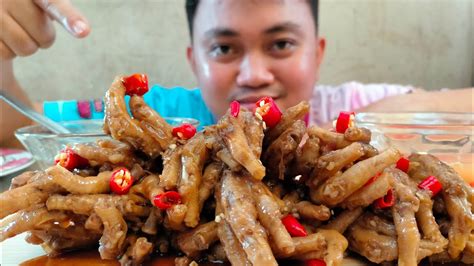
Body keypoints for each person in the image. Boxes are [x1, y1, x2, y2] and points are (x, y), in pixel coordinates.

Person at [1, 0, 472, 148]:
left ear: (318, 53)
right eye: (225, 48)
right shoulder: (157, 119)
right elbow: (22, 128)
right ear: (193, 60)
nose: (254, 74)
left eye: (281, 44)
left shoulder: (341, 110)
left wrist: (369, 122)